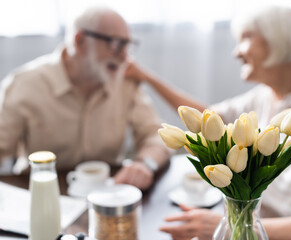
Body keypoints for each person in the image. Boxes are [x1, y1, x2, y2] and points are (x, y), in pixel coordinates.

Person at [126, 6, 291, 240]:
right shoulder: (268, 95)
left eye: (246, 38)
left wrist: (230, 225)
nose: (236, 52)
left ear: (278, 39)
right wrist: (147, 78)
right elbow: (207, 120)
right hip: (249, 223)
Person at [0, 6, 171, 191]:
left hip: (109, 194)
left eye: (127, 45)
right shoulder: (25, 84)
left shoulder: (125, 81)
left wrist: (144, 164)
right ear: (80, 41)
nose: (124, 56)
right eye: (115, 43)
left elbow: (158, 136)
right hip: (41, 192)